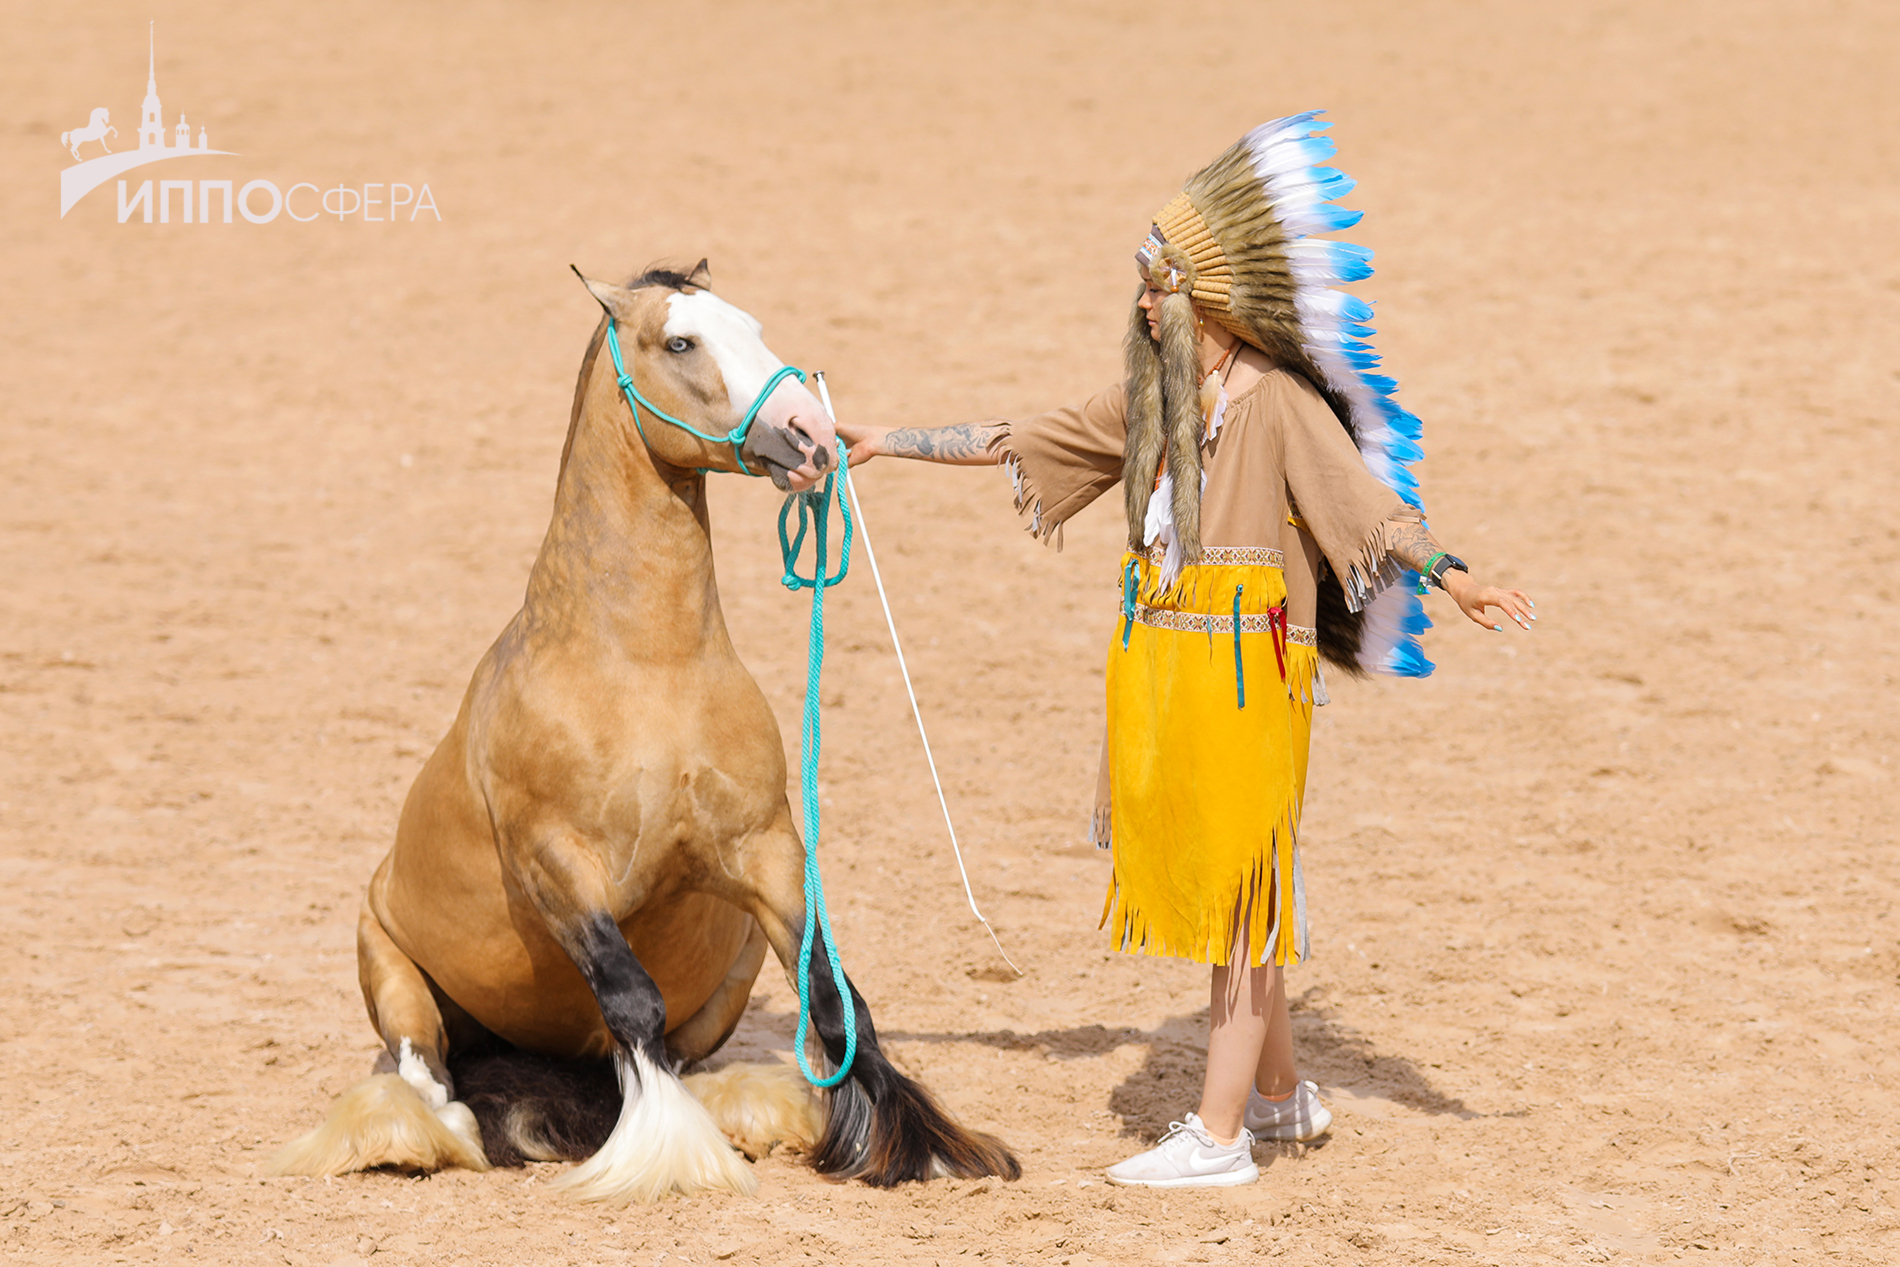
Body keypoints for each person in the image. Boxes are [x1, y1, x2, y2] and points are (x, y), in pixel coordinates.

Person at [835, 111, 1534, 1189]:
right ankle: (1277, 1096)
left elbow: (1374, 513)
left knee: (1243, 899)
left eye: (1161, 283)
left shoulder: (1284, 406)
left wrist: (1460, 577)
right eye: (1143, 282)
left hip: (1254, 683)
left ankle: (1217, 1143)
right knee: (1229, 891)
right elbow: (1026, 435)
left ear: (1211, 300)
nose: (1145, 300)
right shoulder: (1157, 397)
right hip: (1167, 679)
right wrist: (888, 440)